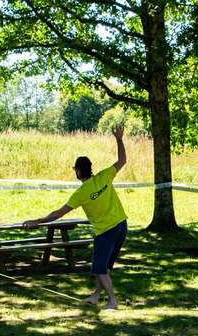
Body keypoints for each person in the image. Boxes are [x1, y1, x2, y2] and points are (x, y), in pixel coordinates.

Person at [23, 126, 128, 310]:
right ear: (90, 169)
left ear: (79, 171)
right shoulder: (104, 176)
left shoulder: (81, 193)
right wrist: (119, 139)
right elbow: (122, 160)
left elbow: (58, 213)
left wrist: (37, 221)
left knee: (99, 267)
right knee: (104, 266)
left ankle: (112, 301)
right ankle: (96, 296)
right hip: (121, 226)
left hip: (106, 231)